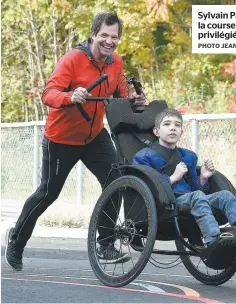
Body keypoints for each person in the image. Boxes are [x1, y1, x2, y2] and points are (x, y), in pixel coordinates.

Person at [5, 12, 145, 271]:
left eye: (114, 37)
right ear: (93, 34)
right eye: (104, 35)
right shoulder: (72, 59)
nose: (109, 41)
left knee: (117, 182)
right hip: (61, 138)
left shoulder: (116, 63)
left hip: (93, 136)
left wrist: (134, 101)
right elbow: (49, 94)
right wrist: (71, 96)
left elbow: (120, 94)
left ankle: (105, 244)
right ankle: (16, 239)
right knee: (48, 193)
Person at [133, 108, 236, 249]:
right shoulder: (144, 156)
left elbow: (196, 189)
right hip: (165, 203)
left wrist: (203, 178)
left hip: (191, 198)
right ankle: (213, 241)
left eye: (177, 125)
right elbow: (146, 186)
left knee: (225, 196)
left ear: (181, 132)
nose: (172, 128)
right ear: (156, 132)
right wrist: (173, 177)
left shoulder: (188, 156)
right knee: (197, 197)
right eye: (167, 124)